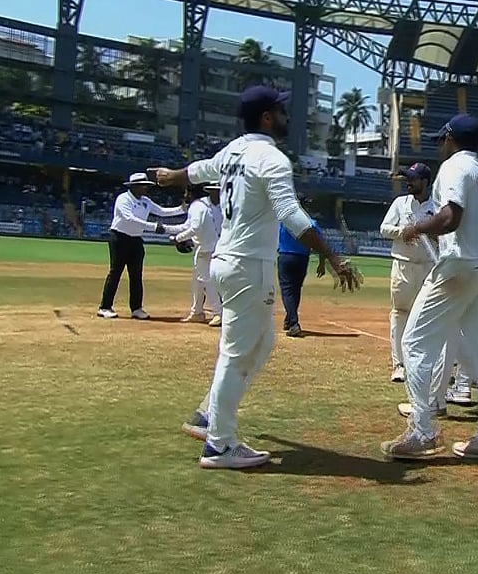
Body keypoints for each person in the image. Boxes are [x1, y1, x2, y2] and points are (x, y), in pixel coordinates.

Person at [156, 86, 362, 470]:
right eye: (282, 111)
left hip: (230, 262)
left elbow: (200, 170)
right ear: (267, 117)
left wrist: (173, 176)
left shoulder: (233, 151)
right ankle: (219, 445)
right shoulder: (271, 158)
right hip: (248, 267)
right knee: (237, 353)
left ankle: (207, 416)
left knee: (262, 343)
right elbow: (292, 214)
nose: (287, 117)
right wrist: (334, 255)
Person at [381, 113, 478, 463]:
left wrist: (418, 227)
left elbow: (451, 216)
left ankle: (422, 431)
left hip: (460, 265)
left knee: (414, 341)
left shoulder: (454, 167)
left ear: (451, 138)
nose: (440, 145)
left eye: (441, 139)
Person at [380, 162, 439, 383]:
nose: (408, 181)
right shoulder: (400, 203)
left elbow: (446, 234)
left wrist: (433, 233)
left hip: (429, 267)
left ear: (425, 182)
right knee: (400, 313)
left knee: (428, 316)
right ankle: (399, 365)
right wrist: (402, 232)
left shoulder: (437, 206)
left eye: (413, 178)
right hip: (403, 265)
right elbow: (384, 228)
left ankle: (426, 364)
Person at [97, 172, 185, 320]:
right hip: (120, 238)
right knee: (115, 272)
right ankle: (105, 307)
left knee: (136, 275)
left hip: (136, 240)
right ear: (134, 186)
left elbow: (162, 212)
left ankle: (136, 308)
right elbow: (129, 219)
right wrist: (152, 226)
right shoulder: (123, 199)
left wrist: (183, 208)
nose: (146, 189)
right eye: (143, 186)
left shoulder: (146, 201)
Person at [165, 183, 223, 326]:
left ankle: (218, 312)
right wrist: (168, 230)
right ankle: (197, 312)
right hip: (209, 247)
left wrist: (178, 239)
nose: (185, 196)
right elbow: (188, 226)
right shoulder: (206, 206)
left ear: (191, 194)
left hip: (208, 249)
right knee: (198, 281)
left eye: (186, 193)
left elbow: (195, 228)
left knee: (206, 280)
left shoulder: (199, 206)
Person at [277, 197, 325, 338]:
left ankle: (293, 323)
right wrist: (321, 263)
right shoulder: (312, 223)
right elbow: (320, 243)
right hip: (302, 258)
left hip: (286, 256)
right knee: (296, 289)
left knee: (287, 290)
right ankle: (289, 319)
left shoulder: (285, 221)